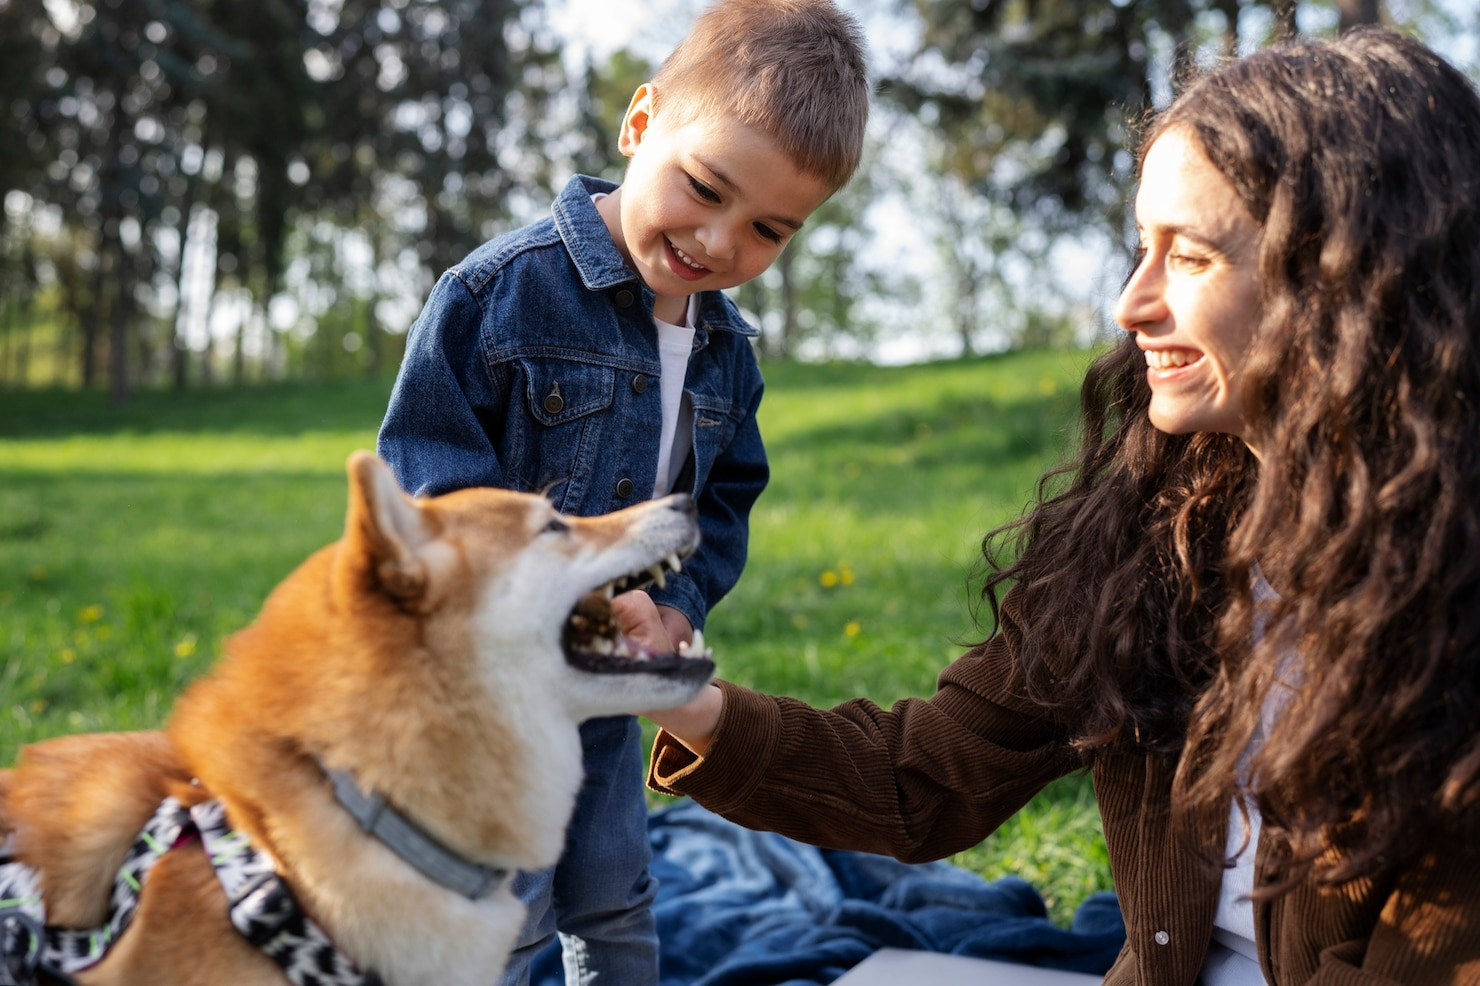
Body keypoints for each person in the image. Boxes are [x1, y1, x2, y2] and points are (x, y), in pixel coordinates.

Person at [633, 27, 1480, 986]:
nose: (1131, 303)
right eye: (1141, 249)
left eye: (1191, 258)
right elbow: (927, 777)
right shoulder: (1159, 535)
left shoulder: (1449, 603)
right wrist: (686, 701)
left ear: (1346, 279)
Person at [375, 2, 869, 983]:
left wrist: (670, 607)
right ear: (641, 124)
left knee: (611, 882)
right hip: (485, 686)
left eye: (768, 228)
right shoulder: (497, 294)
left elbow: (721, 499)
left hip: (603, 677)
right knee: (501, 900)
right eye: (705, 187)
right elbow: (425, 474)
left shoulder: (728, 351)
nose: (720, 240)